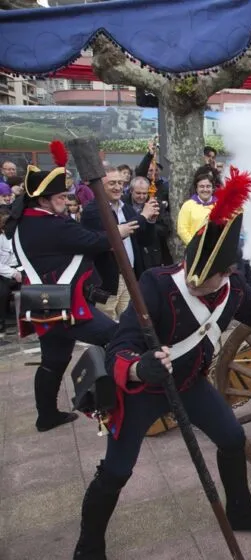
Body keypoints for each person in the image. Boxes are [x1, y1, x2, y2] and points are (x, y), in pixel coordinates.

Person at [72, 167, 251, 559]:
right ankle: (88, 547)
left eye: (205, 280)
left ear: (227, 273)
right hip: (142, 390)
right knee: (116, 471)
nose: (194, 283)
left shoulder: (234, 290)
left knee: (232, 438)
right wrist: (141, 366)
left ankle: (241, 512)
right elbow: (120, 347)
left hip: (189, 384)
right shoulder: (156, 283)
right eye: (191, 275)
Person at [5, 141, 119, 432]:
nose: (66, 200)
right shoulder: (51, 225)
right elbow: (96, 241)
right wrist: (125, 229)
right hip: (65, 306)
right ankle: (107, 403)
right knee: (117, 337)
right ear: (43, 200)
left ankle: (46, 416)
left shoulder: (25, 222)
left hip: (42, 303)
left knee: (53, 360)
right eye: (60, 196)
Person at [83, 168, 159, 320]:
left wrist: (150, 221)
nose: (117, 187)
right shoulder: (93, 210)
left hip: (129, 277)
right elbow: (112, 238)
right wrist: (143, 216)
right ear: (100, 186)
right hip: (106, 281)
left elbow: (145, 240)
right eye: (112, 183)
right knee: (106, 324)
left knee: (129, 322)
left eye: (120, 183)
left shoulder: (127, 209)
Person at [176, 170, 216, 244]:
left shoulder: (219, 205)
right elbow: (182, 229)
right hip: (194, 247)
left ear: (212, 188)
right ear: (196, 189)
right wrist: (194, 245)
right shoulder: (188, 205)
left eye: (208, 186)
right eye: (201, 186)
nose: (205, 189)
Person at [0, 207, 20, 334]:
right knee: (2, 292)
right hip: (3, 272)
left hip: (20, 268)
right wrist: (13, 273)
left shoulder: (18, 234)